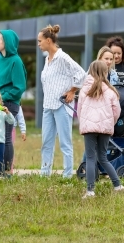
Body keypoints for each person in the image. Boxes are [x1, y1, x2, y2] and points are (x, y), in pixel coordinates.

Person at [38, 25, 86, 178]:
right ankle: (45, 173)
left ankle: (67, 175)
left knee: (65, 143)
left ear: (48, 41)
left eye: (40, 41)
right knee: (46, 142)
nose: (38, 44)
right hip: (48, 106)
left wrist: (72, 90)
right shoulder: (47, 59)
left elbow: (81, 74)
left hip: (61, 106)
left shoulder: (63, 57)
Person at [78, 61, 124, 198]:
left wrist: (84, 123)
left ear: (90, 71)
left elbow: (79, 110)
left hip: (89, 129)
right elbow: (117, 111)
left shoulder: (84, 90)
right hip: (105, 128)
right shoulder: (111, 91)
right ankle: (117, 185)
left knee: (91, 158)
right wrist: (111, 123)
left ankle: (90, 191)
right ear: (106, 72)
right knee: (103, 157)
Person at [0, 29, 27, 174]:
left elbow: (19, 87)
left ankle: (7, 170)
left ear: (7, 42)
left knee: (6, 137)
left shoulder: (16, 61)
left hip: (8, 104)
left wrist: (1, 98)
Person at [10, 106, 27, 173]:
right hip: (0, 128)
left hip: (12, 128)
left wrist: (23, 131)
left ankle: (10, 167)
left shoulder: (17, 104)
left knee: (10, 147)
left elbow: (20, 118)